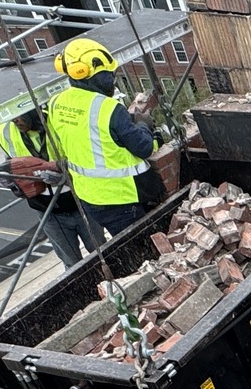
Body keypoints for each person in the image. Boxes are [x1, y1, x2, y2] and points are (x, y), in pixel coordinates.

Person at [45, 36, 163, 249]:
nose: (113, 80)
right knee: (147, 250)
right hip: (122, 198)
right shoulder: (108, 109)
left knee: (127, 246)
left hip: (89, 199)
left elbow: (58, 150)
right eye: (108, 75)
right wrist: (147, 129)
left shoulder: (56, 103)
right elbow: (145, 148)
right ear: (87, 74)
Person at [0, 107, 85, 268]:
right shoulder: (7, 132)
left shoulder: (57, 121)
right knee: (72, 264)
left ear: (31, 111)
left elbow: (84, 157)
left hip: (80, 201)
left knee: (101, 251)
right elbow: (11, 165)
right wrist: (11, 180)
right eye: (12, 118)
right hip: (47, 211)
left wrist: (67, 176)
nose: (15, 121)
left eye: (19, 116)